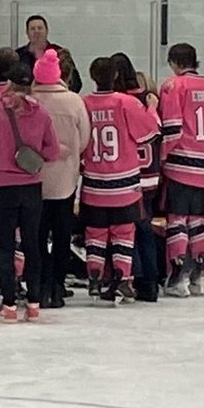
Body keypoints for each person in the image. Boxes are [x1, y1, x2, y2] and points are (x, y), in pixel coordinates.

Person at [0, 61, 61, 323]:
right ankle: (33, 304)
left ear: (8, 83)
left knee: (5, 246)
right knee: (32, 244)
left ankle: (9, 304)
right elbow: (53, 151)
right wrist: (33, 156)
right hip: (31, 187)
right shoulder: (41, 113)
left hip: (2, 187)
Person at [80, 57, 160, 304]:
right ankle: (123, 279)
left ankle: (94, 277)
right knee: (123, 233)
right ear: (115, 76)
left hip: (94, 182)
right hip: (124, 184)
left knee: (95, 232)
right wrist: (152, 108)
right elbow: (149, 132)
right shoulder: (126, 102)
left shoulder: (84, 103)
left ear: (93, 77)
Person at [30, 49, 90, 308]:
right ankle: (57, 285)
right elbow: (85, 138)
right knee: (63, 235)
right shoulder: (74, 101)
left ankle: (40, 284)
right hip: (66, 178)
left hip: (34, 178)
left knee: (38, 235)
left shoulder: (30, 100)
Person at [158, 43, 204, 298]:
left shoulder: (173, 85)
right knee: (198, 220)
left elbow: (172, 127)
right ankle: (200, 274)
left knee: (178, 220)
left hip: (180, 163)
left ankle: (178, 275)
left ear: (174, 62)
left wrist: (161, 157)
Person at [110, 53, 164, 303]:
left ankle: (140, 279)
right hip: (152, 174)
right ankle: (150, 282)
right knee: (145, 229)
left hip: (130, 177)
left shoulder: (118, 102)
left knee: (131, 230)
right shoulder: (147, 98)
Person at [16, 15, 81, 94]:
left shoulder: (60, 53)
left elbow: (76, 83)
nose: (36, 31)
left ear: (47, 31)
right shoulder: (18, 55)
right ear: (27, 33)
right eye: (32, 29)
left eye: (40, 28)